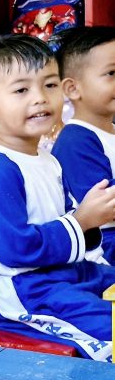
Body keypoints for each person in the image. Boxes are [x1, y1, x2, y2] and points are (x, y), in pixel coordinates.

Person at [0, 35, 115, 361]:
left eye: (49, 85)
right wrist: (81, 221)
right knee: (110, 328)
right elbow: (14, 248)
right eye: (21, 90)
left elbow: (66, 219)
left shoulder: (47, 160)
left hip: (66, 273)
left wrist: (84, 220)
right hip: (27, 291)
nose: (40, 99)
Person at [51, 26, 115, 263]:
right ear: (73, 89)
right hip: (102, 249)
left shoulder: (107, 131)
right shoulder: (76, 141)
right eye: (111, 73)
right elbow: (108, 204)